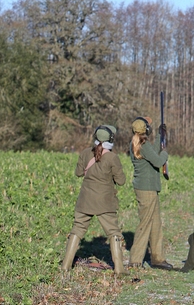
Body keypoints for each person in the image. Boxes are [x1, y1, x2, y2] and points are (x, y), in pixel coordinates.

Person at [61, 124, 126, 274]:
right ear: (111, 139)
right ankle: (119, 269)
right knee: (113, 232)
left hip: (85, 200)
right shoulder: (112, 157)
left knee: (77, 229)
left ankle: (65, 266)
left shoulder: (85, 153)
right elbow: (121, 181)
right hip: (105, 202)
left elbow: (78, 173)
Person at [128, 116, 172, 270]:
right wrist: (165, 153)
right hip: (146, 189)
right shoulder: (143, 145)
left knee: (155, 224)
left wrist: (160, 136)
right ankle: (135, 261)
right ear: (145, 130)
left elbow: (153, 153)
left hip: (149, 188)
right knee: (145, 224)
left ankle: (158, 259)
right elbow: (158, 161)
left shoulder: (139, 143)